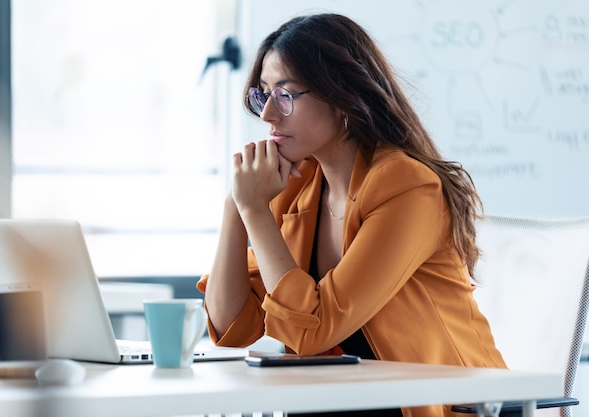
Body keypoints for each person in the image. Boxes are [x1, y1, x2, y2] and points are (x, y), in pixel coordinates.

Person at [197, 13, 506, 417]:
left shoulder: (407, 186)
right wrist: (236, 206)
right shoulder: (296, 187)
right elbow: (232, 326)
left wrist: (254, 209)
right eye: (263, 95)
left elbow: (314, 330)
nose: (268, 114)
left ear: (340, 96)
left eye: (285, 95)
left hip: (439, 407)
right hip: (342, 403)